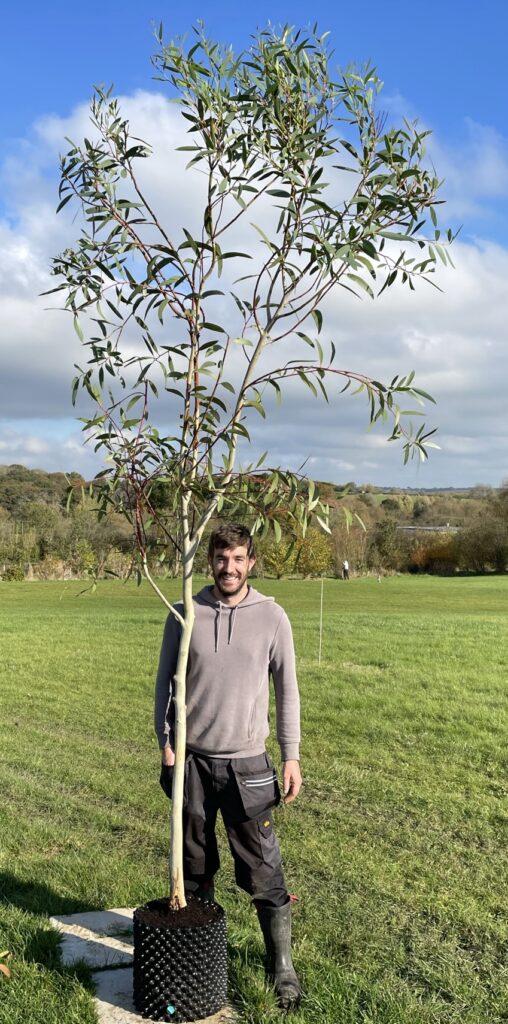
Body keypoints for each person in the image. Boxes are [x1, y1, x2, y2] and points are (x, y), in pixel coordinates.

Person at [154, 522, 303, 1009]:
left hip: (248, 766)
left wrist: (291, 754)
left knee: (263, 868)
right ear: (210, 561)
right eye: (221, 558)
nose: (229, 567)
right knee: (195, 866)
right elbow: (165, 684)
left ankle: (281, 968)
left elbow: (287, 690)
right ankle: (203, 956)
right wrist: (167, 744)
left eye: (238, 558)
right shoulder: (185, 611)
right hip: (191, 763)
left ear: (251, 562)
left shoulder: (272, 617)